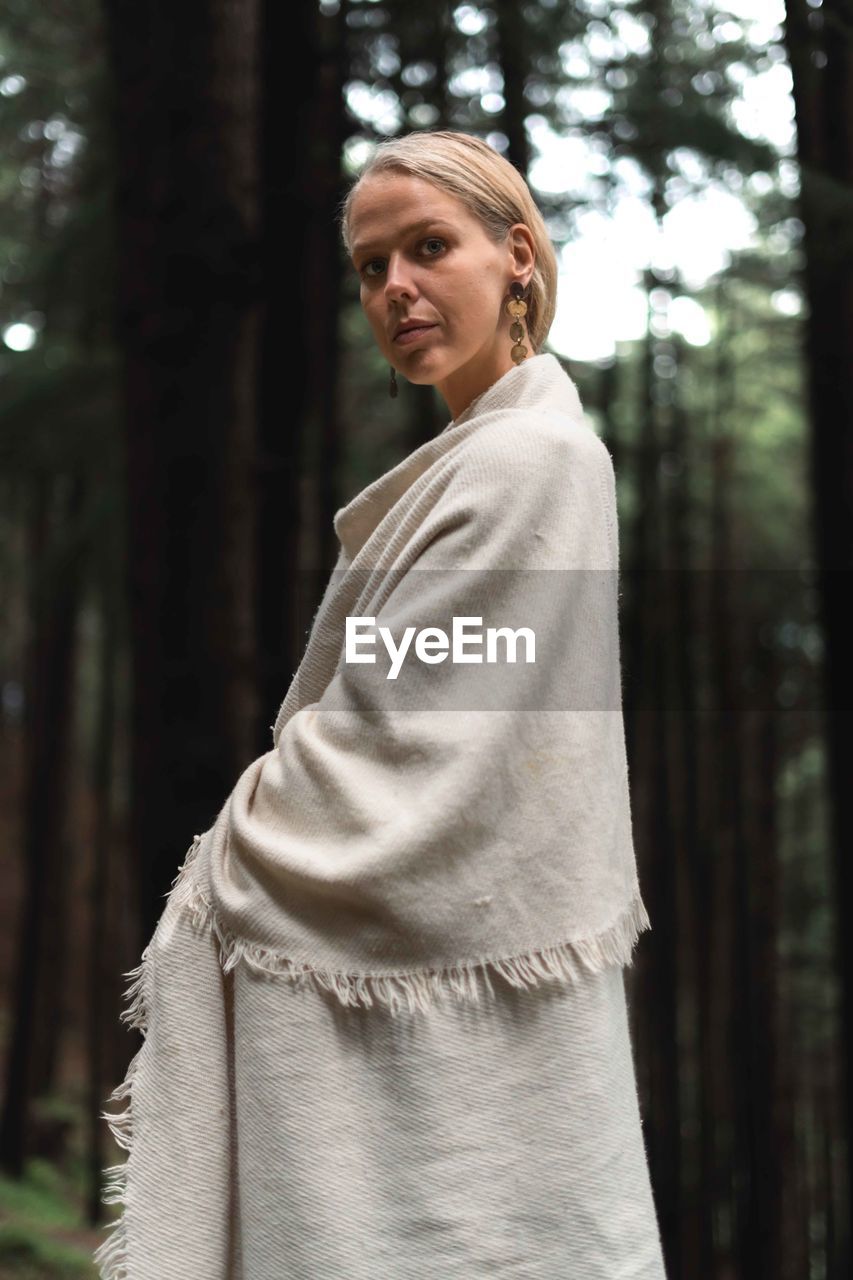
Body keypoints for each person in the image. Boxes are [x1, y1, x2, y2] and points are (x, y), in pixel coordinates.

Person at [94, 129, 667, 1280]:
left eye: (426, 247)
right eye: (369, 267)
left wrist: (241, 840)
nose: (395, 288)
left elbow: (419, 735)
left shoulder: (527, 463)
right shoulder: (479, 455)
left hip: (458, 993)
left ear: (515, 256)